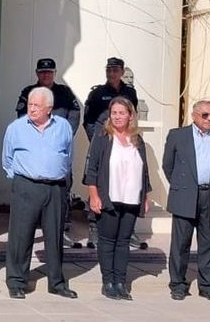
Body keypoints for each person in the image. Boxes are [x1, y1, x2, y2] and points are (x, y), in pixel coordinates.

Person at [2, 86, 78, 300]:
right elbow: (7, 159)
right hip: (26, 186)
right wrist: (20, 178)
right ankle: (17, 281)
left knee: (54, 236)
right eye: (30, 104)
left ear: (49, 108)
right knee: (21, 236)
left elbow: (68, 155)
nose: (32, 108)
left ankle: (57, 282)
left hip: (55, 188)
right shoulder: (16, 128)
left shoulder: (63, 127)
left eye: (37, 105)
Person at [83, 97, 151, 301]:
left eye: (122, 113)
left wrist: (145, 197)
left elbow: (144, 171)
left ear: (130, 115)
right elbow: (92, 169)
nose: (118, 117)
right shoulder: (103, 137)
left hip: (131, 199)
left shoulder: (137, 141)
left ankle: (121, 282)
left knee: (123, 242)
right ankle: (108, 282)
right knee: (107, 241)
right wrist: (94, 196)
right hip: (109, 198)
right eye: (114, 113)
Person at [163, 99, 210, 303]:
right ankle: (178, 284)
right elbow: (168, 166)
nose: (209, 119)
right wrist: (182, 186)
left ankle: (208, 286)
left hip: (209, 195)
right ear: (194, 115)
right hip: (185, 193)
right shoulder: (178, 135)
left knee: (208, 243)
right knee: (181, 243)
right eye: (205, 115)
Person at [15, 58, 82, 248]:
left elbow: (75, 115)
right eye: (42, 72)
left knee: (63, 185)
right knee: (33, 187)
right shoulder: (28, 93)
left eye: (49, 72)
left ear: (54, 73)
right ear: (37, 73)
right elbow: (22, 117)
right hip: (35, 151)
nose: (46, 75)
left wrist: (62, 137)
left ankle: (62, 230)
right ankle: (32, 230)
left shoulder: (64, 92)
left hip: (58, 150)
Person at [84, 57, 138, 140]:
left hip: (124, 139)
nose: (111, 74)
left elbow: (133, 116)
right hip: (103, 138)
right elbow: (89, 122)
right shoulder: (97, 93)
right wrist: (96, 141)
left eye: (115, 70)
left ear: (122, 72)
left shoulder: (130, 93)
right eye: (108, 71)